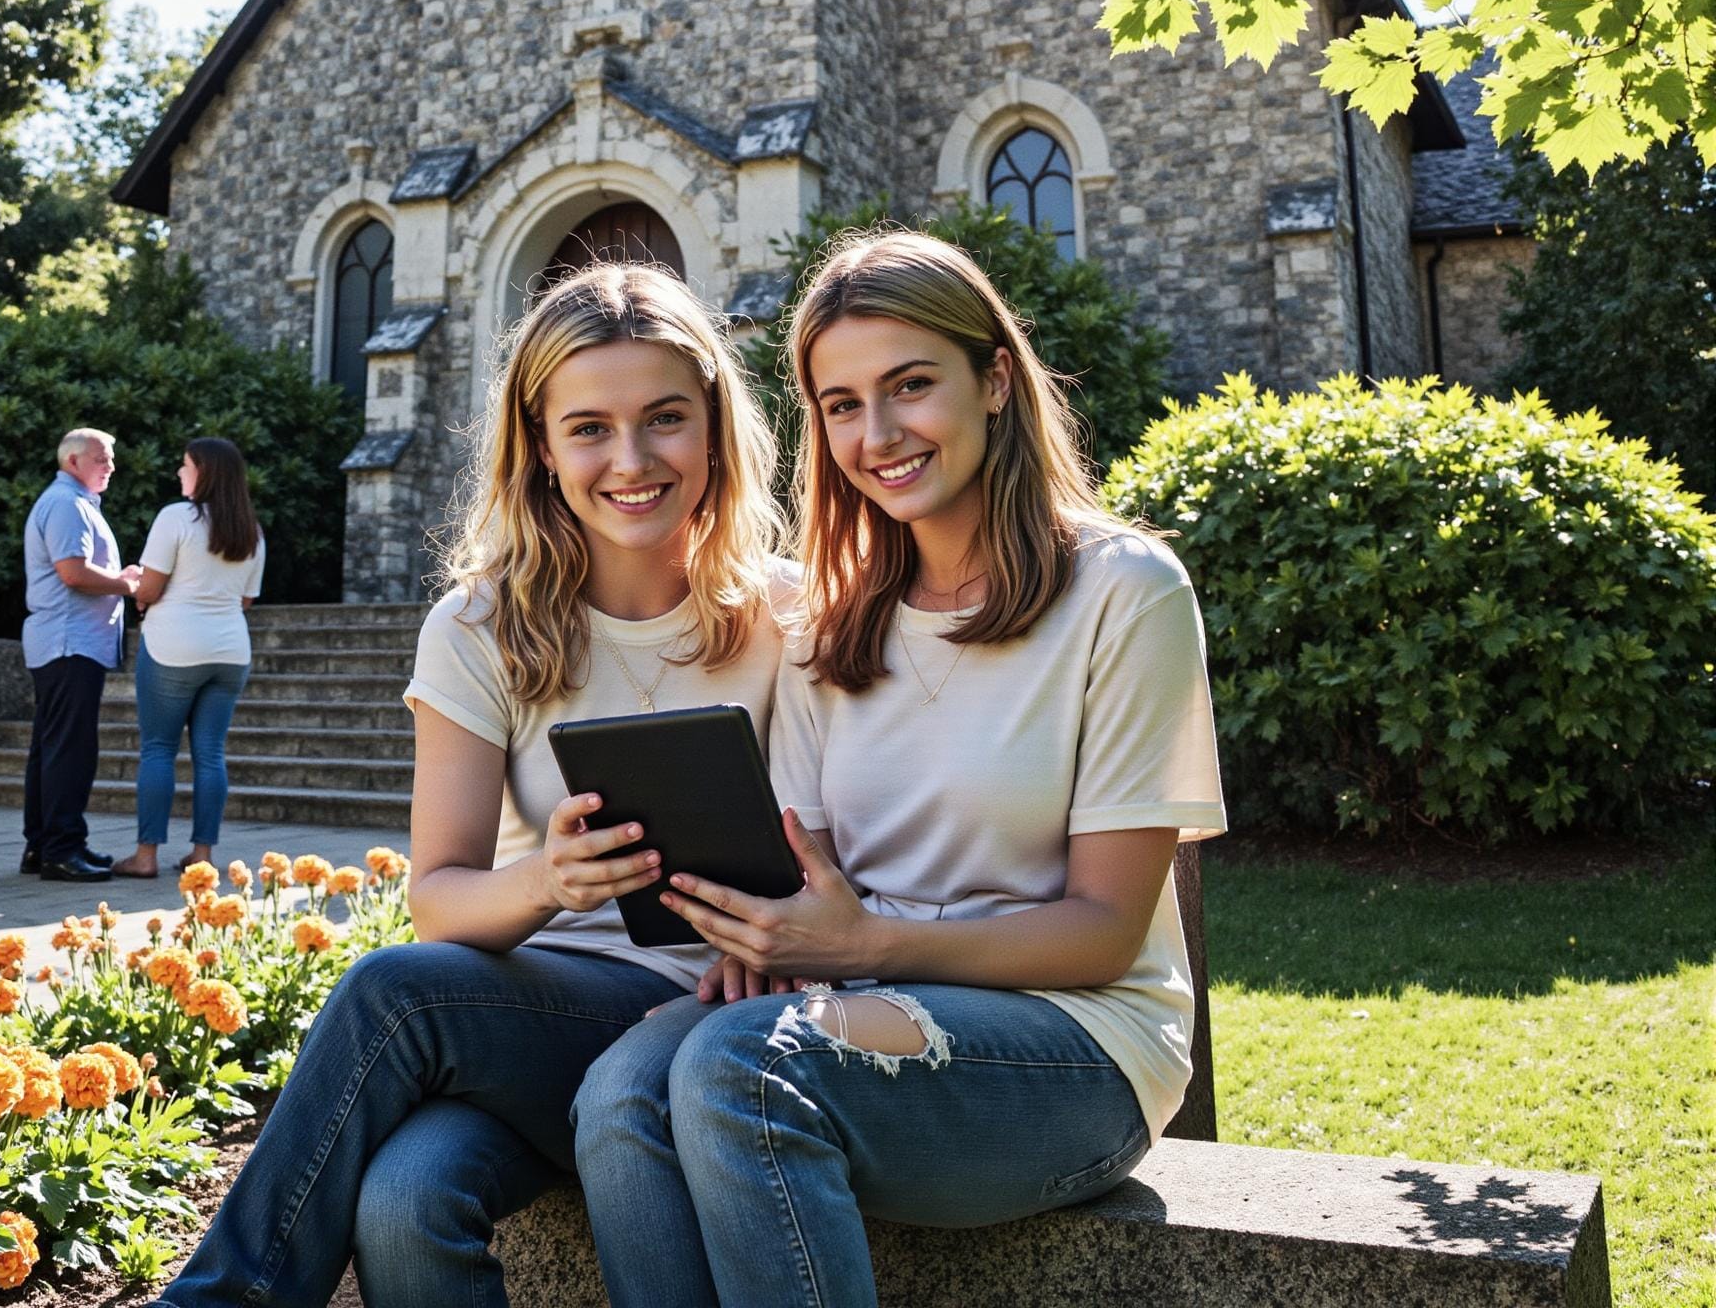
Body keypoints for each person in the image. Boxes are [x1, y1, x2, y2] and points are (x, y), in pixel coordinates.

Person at [573, 229, 1227, 1308]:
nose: (876, 435)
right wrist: (766, 944)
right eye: (840, 404)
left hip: (1078, 1039)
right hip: (857, 1004)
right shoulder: (827, 624)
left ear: (996, 379)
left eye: (910, 385)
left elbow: (1106, 930)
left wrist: (862, 944)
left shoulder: (1122, 591)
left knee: (738, 1069)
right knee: (619, 1093)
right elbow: (810, 880)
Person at [156, 262, 792, 1308]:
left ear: (715, 426)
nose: (630, 459)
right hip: (528, 1015)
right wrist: (549, 879)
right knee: (406, 1198)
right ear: (540, 445)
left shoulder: (789, 615)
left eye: (665, 418)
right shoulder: (479, 624)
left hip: (713, 1013)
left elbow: (843, 849)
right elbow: (440, 899)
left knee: (391, 1007)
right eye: (588, 427)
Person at [108, 438, 265, 880]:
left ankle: (145, 857)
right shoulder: (251, 531)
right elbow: (246, 599)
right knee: (211, 753)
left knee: (159, 749)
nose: (180, 472)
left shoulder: (175, 518)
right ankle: (202, 855)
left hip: (173, 647)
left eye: (186, 465)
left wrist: (139, 591)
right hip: (230, 651)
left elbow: (150, 588)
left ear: (206, 473)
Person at [21, 427, 141, 881]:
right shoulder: (67, 504)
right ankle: (61, 849)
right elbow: (73, 573)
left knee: (52, 747)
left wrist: (116, 578)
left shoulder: (72, 502)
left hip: (65, 643)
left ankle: (45, 844)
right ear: (73, 461)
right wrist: (127, 584)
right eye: (101, 459)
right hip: (69, 643)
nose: (111, 467)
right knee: (69, 750)